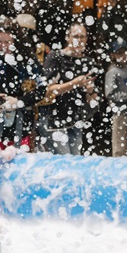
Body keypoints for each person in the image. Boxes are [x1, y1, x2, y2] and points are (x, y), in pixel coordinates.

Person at [38, 23, 98, 155]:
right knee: (63, 163)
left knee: (74, 163)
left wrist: (90, 91)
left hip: (75, 120)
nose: (79, 40)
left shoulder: (88, 62)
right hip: (53, 120)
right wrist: (74, 83)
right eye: (75, 36)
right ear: (68, 37)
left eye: (82, 36)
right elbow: (47, 90)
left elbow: (93, 98)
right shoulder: (55, 57)